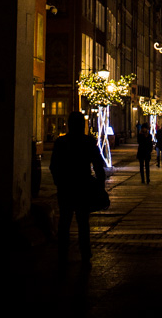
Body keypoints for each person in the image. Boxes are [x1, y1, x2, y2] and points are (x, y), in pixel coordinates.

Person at [49, 111, 106, 266]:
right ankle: (85, 255)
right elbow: (98, 165)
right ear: (82, 125)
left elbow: (53, 166)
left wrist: (59, 182)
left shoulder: (61, 142)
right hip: (83, 186)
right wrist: (100, 185)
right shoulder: (88, 141)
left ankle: (62, 255)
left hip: (66, 188)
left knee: (64, 222)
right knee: (83, 223)